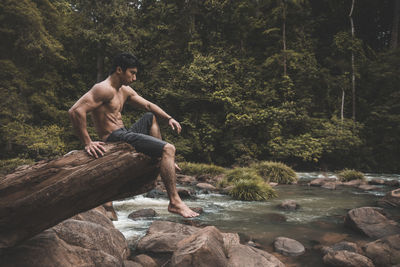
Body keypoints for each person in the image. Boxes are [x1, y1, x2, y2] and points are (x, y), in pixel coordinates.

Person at [69, 52, 199, 218]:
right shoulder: (103, 89)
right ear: (119, 70)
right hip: (113, 137)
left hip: (124, 133)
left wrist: (169, 118)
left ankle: (161, 158)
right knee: (169, 148)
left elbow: (148, 105)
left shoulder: (124, 90)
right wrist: (87, 142)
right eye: (132, 73)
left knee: (149, 117)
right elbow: (75, 111)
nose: (134, 77)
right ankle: (174, 202)